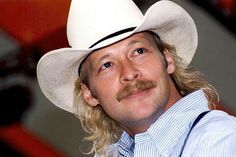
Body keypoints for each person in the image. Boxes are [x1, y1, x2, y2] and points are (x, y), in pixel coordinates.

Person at [37, 0, 236, 156]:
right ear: (89, 93)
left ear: (167, 59)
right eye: (107, 65)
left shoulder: (222, 139)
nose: (129, 73)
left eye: (139, 51)